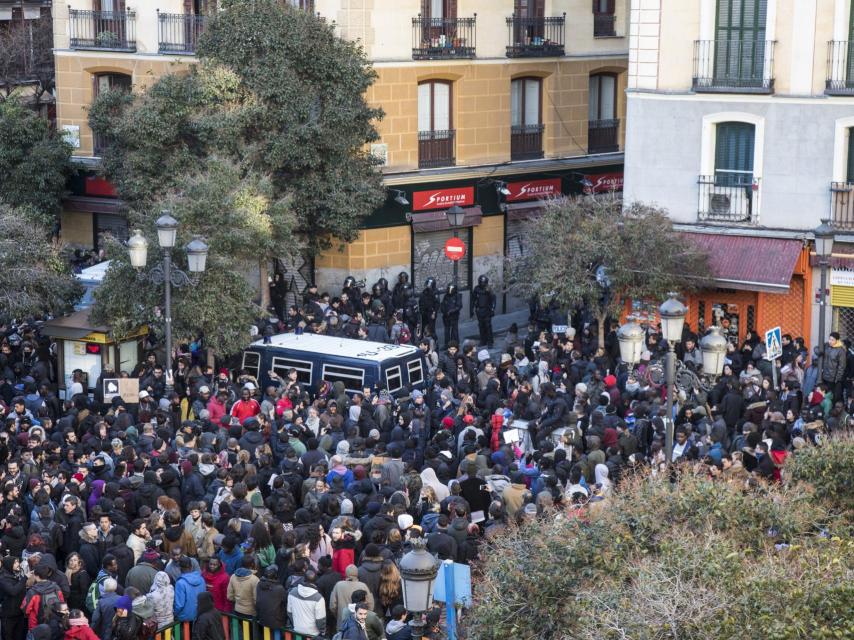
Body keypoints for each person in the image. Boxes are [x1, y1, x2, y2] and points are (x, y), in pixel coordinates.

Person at [287, 569, 325, 638]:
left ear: (303, 579)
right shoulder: (319, 598)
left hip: (297, 631)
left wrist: (296, 624)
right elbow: (320, 620)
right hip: (313, 634)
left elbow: (289, 613)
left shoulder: (292, 593)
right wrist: (322, 632)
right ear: (316, 581)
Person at [173, 557, 206, 623]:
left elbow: (179, 605)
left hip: (185, 618)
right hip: (200, 615)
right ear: (191, 567)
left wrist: (174, 614)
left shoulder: (180, 583)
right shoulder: (201, 579)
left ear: (180, 568)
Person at [255, 565, 286, 630]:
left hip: (262, 618)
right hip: (275, 621)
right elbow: (284, 604)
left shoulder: (259, 584)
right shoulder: (279, 589)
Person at [471, 275, 496, 347]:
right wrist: (472, 309)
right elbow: (473, 299)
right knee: (481, 326)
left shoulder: (488, 289)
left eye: (483, 282)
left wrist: (492, 309)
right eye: (481, 282)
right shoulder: (476, 289)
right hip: (479, 310)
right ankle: (483, 340)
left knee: (488, 326)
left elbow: (493, 299)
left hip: (487, 310)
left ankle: (490, 342)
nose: (482, 284)